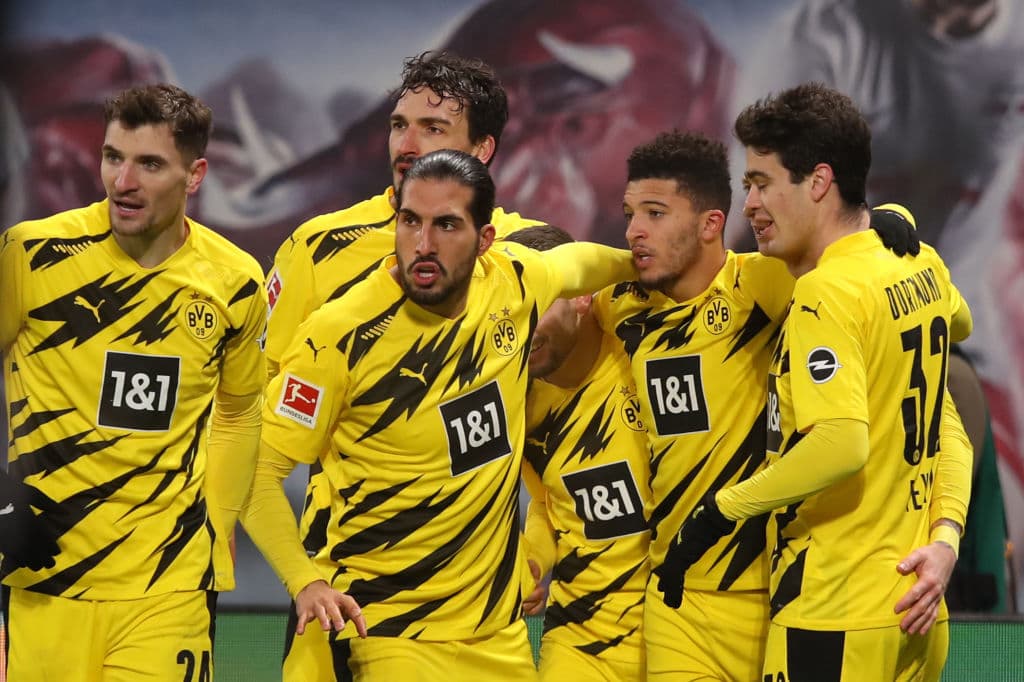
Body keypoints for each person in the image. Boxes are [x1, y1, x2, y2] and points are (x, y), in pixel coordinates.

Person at [242, 149, 638, 681]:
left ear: (485, 240)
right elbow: (256, 474)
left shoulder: (514, 281)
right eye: (411, 221)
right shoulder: (336, 337)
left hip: (500, 640)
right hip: (388, 633)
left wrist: (653, 261)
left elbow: (584, 263)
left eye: (446, 225)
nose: (423, 245)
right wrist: (303, 582)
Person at [664, 83, 973, 680]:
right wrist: (947, 539)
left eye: (760, 182)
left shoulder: (822, 294)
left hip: (834, 611)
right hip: (917, 607)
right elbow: (948, 410)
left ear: (819, 181)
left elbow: (841, 444)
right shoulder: (919, 263)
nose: (748, 204)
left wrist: (721, 511)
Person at [258, 50, 549, 681]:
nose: (407, 143)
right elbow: (257, 411)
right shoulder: (317, 248)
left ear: (484, 149)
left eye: (434, 128)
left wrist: (544, 527)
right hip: (349, 587)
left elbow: (543, 409)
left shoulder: (523, 253)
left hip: (481, 604)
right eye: (398, 124)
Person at [0, 84, 266, 680]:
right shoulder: (30, 255)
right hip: (46, 582)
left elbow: (240, 411)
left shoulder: (235, 282)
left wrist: (217, 525)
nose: (123, 181)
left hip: (168, 588)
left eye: (149, 163)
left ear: (195, 175)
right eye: (112, 156)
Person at [592, 130, 793, 681]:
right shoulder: (621, 308)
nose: (634, 230)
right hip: (677, 597)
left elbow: (854, 280)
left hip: (773, 595)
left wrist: (893, 219)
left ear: (711, 224)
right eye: (630, 212)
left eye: (655, 213)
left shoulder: (763, 288)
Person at [505, 225, 651, 681]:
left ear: (583, 297)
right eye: (512, 309)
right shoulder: (519, 408)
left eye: (539, 303)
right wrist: (535, 559)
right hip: (580, 639)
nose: (523, 325)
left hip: (679, 627)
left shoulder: (646, 353)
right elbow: (551, 504)